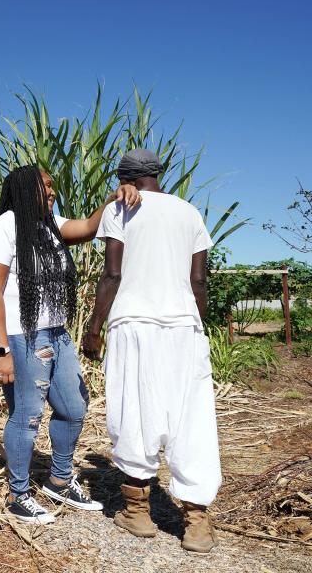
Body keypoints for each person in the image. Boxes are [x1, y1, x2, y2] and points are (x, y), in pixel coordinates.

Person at [0, 164, 140, 524]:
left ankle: (59, 480)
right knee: (28, 414)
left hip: (54, 331)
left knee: (73, 406)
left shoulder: (49, 227)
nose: (52, 192)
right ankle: (18, 494)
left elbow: (86, 227)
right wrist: (1, 352)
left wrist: (114, 198)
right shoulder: (3, 227)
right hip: (19, 334)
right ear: (24, 189)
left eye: (53, 187)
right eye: (45, 186)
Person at [81, 148, 221, 553]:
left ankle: (137, 511)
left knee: (134, 410)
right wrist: (197, 326)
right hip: (183, 325)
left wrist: (94, 328)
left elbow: (112, 273)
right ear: (158, 174)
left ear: (124, 176)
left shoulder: (120, 209)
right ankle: (195, 521)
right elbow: (199, 281)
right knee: (190, 417)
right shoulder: (189, 212)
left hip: (133, 322)